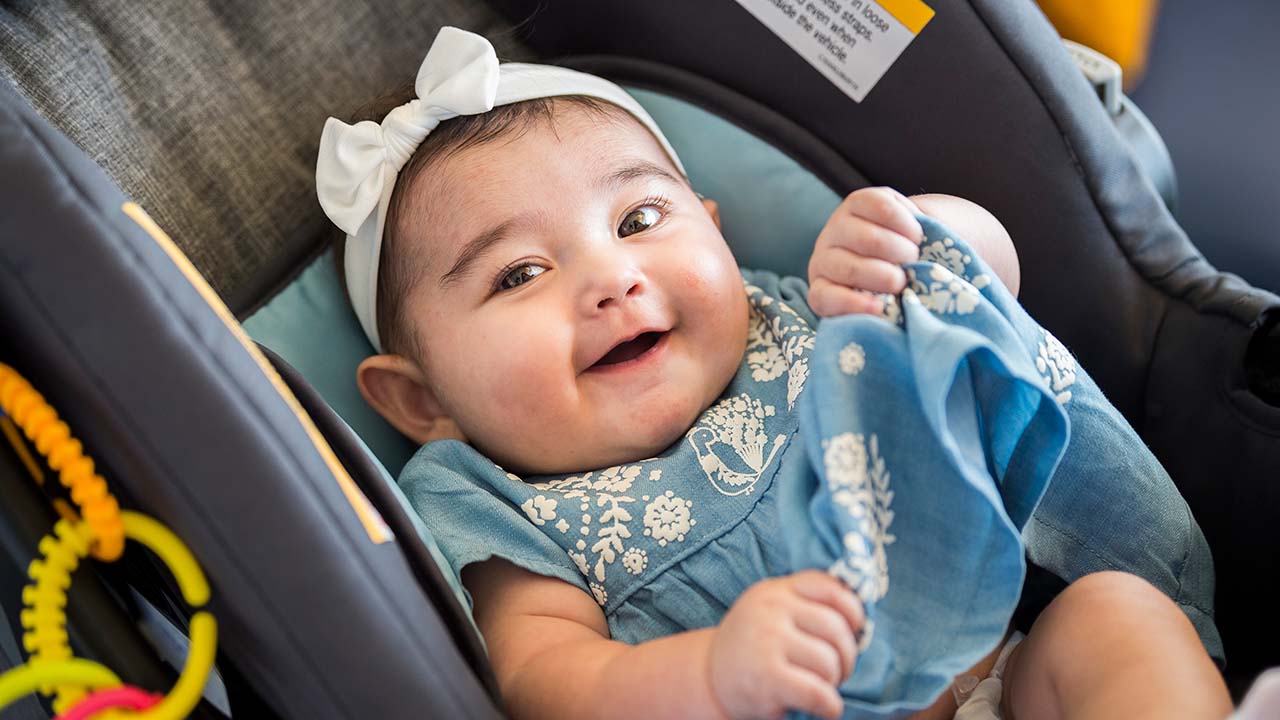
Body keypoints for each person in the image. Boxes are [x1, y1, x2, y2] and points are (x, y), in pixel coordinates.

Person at [315, 27, 1231, 720]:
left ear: (715, 232)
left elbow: (984, 295)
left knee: (1114, 615)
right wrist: (709, 675)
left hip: (1011, 682)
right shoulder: (499, 502)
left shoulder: (804, 318)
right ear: (421, 399)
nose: (611, 278)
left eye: (637, 221)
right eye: (518, 275)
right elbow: (543, 679)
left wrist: (909, 238)